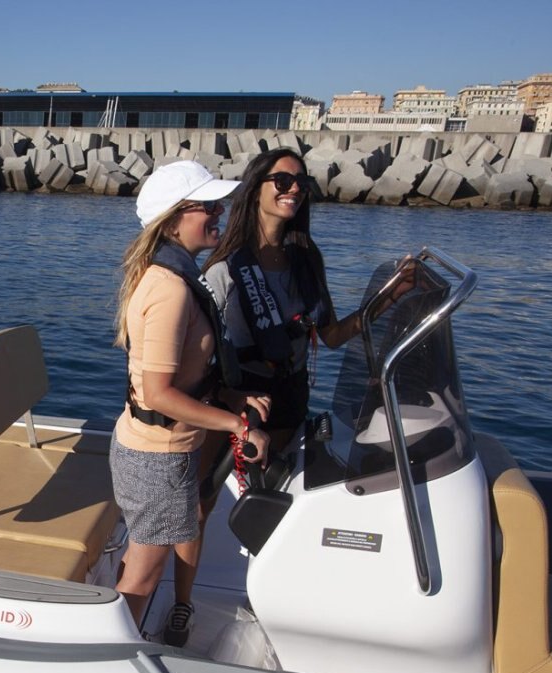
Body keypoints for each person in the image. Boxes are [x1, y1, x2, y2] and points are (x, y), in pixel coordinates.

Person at [111, 161, 270, 643]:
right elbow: (159, 394)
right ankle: (112, 654)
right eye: (208, 206)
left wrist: (232, 397)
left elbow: (183, 375)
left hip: (162, 451)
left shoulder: (171, 275)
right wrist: (238, 426)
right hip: (157, 458)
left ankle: (123, 636)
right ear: (174, 219)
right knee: (142, 577)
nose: (220, 213)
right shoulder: (171, 289)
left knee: (143, 560)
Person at [203, 149, 366, 455]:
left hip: (289, 398)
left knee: (274, 479)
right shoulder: (224, 268)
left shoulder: (307, 260)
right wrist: (225, 395)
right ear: (255, 190)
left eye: (302, 183)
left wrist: (388, 297)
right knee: (210, 482)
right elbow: (197, 354)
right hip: (236, 401)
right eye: (282, 181)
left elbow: (332, 336)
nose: (294, 189)